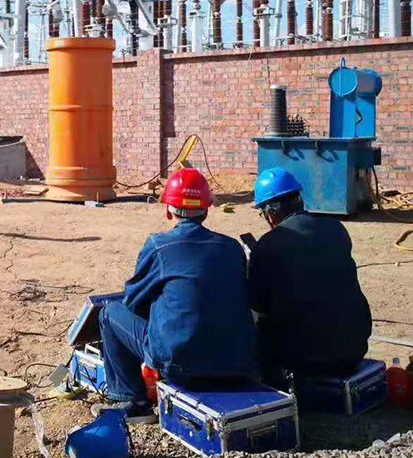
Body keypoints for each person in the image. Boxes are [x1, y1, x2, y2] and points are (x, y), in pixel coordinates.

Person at [96, 168, 259, 423]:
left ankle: (133, 401)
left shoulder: (159, 245)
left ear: (168, 210)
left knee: (109, 312)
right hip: (236, 363)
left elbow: (133, 301)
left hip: (181, 368)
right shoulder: (232, 247)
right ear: (206, 210)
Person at [247, 168, 372, 386]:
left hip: (306, 360)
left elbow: (260, 310)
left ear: (270, 214)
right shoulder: (336, 229)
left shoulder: (267, 246)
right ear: (300, 200)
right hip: (354, 348)